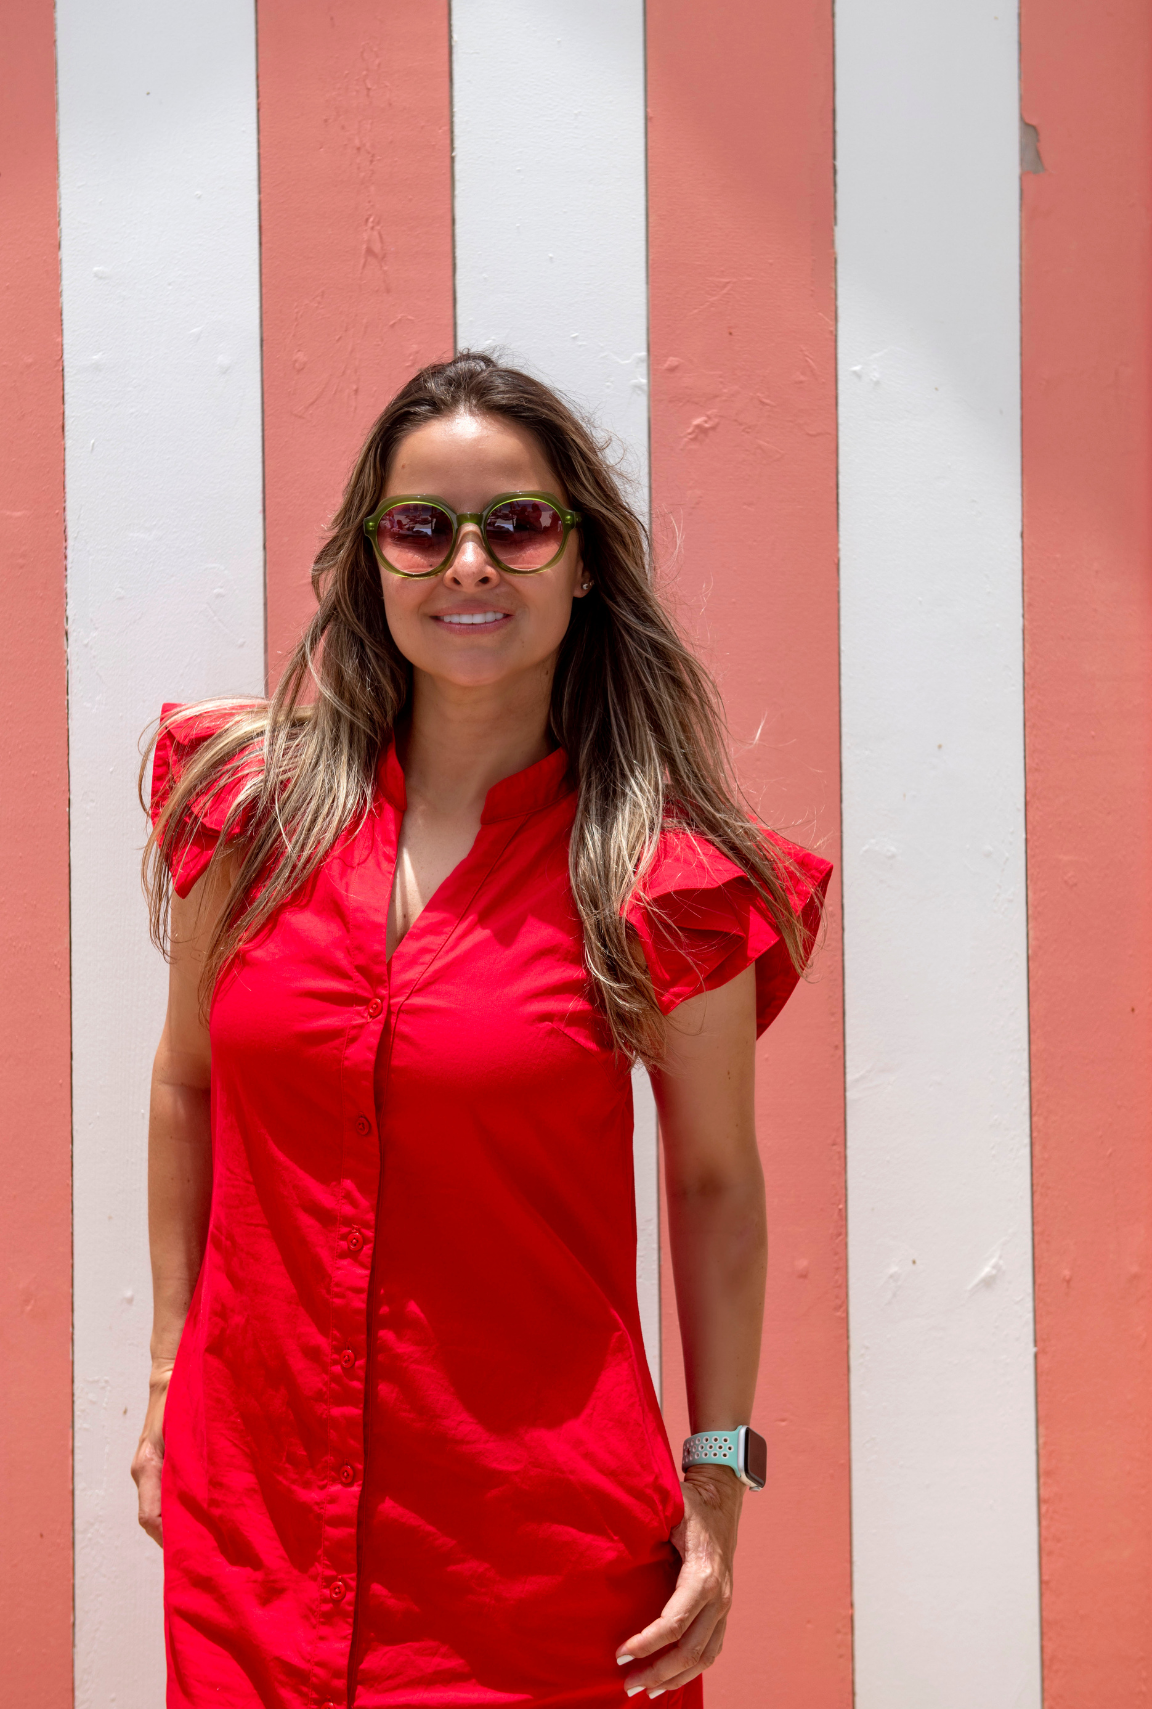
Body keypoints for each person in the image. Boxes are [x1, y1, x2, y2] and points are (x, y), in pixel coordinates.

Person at [132, 352, 830, 1708]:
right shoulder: (248, 812)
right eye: (421, 527)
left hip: (534, 1560)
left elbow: (714, 1184)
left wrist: (718, 1476)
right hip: (254, 1536)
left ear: (582, 564)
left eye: (518, 523)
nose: (469, 563)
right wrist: (167, 1373)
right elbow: (185, 1089)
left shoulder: (659, 882)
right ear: (366, 561)